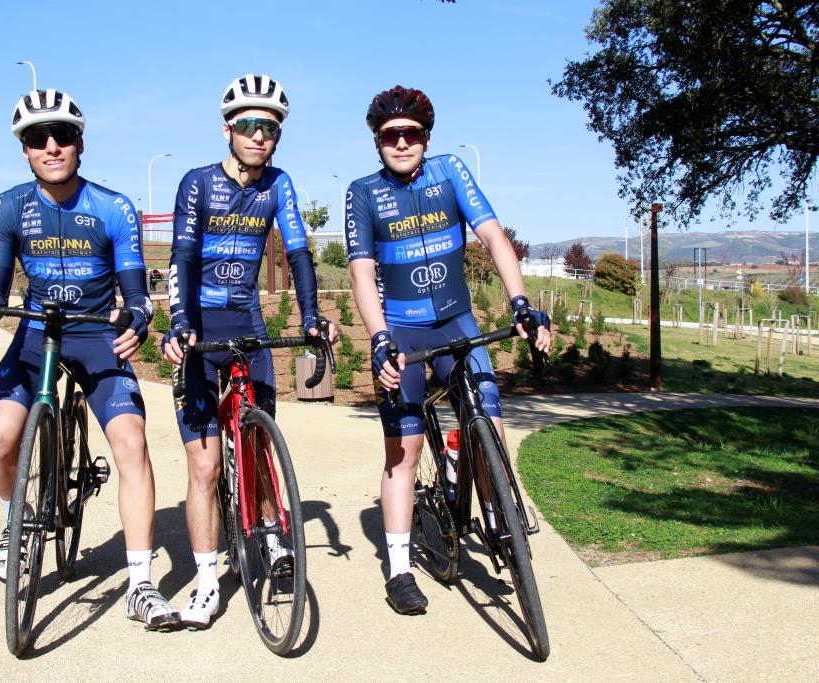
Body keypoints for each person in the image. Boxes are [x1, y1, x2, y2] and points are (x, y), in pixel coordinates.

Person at [0, 88, 179, 630]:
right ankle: (18, 516)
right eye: (36, 138)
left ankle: (140, 584)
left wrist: (140, 317)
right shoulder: (9, 207)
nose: (51, 146)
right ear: (24, 150)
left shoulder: (113, 206)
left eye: (63, 136)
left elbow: (136, 289)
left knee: (131, 441)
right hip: (36, 334)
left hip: (96, 334)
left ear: (80, 143)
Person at [344, 85, 551, 615]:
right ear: (377, 143)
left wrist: (521, 303)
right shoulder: (363, 192)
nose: (401, 142)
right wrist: (380, 338)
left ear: (425, 137)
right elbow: (363, 273)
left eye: (411, 133)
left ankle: (498, 511)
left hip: (457, 322)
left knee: (490, 421)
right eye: (390, 136)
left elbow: (494, 238)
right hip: (404, 331)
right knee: (404, 452)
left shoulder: (451, 172)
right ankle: (398, 569)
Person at [162, 74, 337, 629]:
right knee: (205, 465)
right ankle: (208, 583)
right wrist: (181, 319)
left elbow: (300, 251)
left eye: (271, 127)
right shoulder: (197, 183)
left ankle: (276, 538)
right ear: (227, 130)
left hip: (247, 321)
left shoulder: (279, 184)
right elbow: (184, 256)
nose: (260, 135)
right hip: (201, 326)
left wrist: (311, 315)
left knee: (258, 442)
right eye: (249, 125)